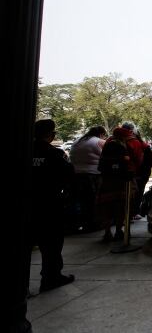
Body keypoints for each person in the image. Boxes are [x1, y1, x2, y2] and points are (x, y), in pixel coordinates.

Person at [30, 119, 76, 292]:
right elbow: (68, 175)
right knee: (52, 243)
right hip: (50, 203)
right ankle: (51, 277)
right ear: (51, 135)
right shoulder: (54, 153)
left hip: (30, 203)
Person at [68, 126, 108, 232]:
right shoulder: (99, 142)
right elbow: (107, 156)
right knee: (92, 200)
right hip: (92, 175)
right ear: (101, 134)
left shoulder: (77, 141)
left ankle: (77, 223)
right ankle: (92, 224)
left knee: (79, 201)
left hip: (75, 174)